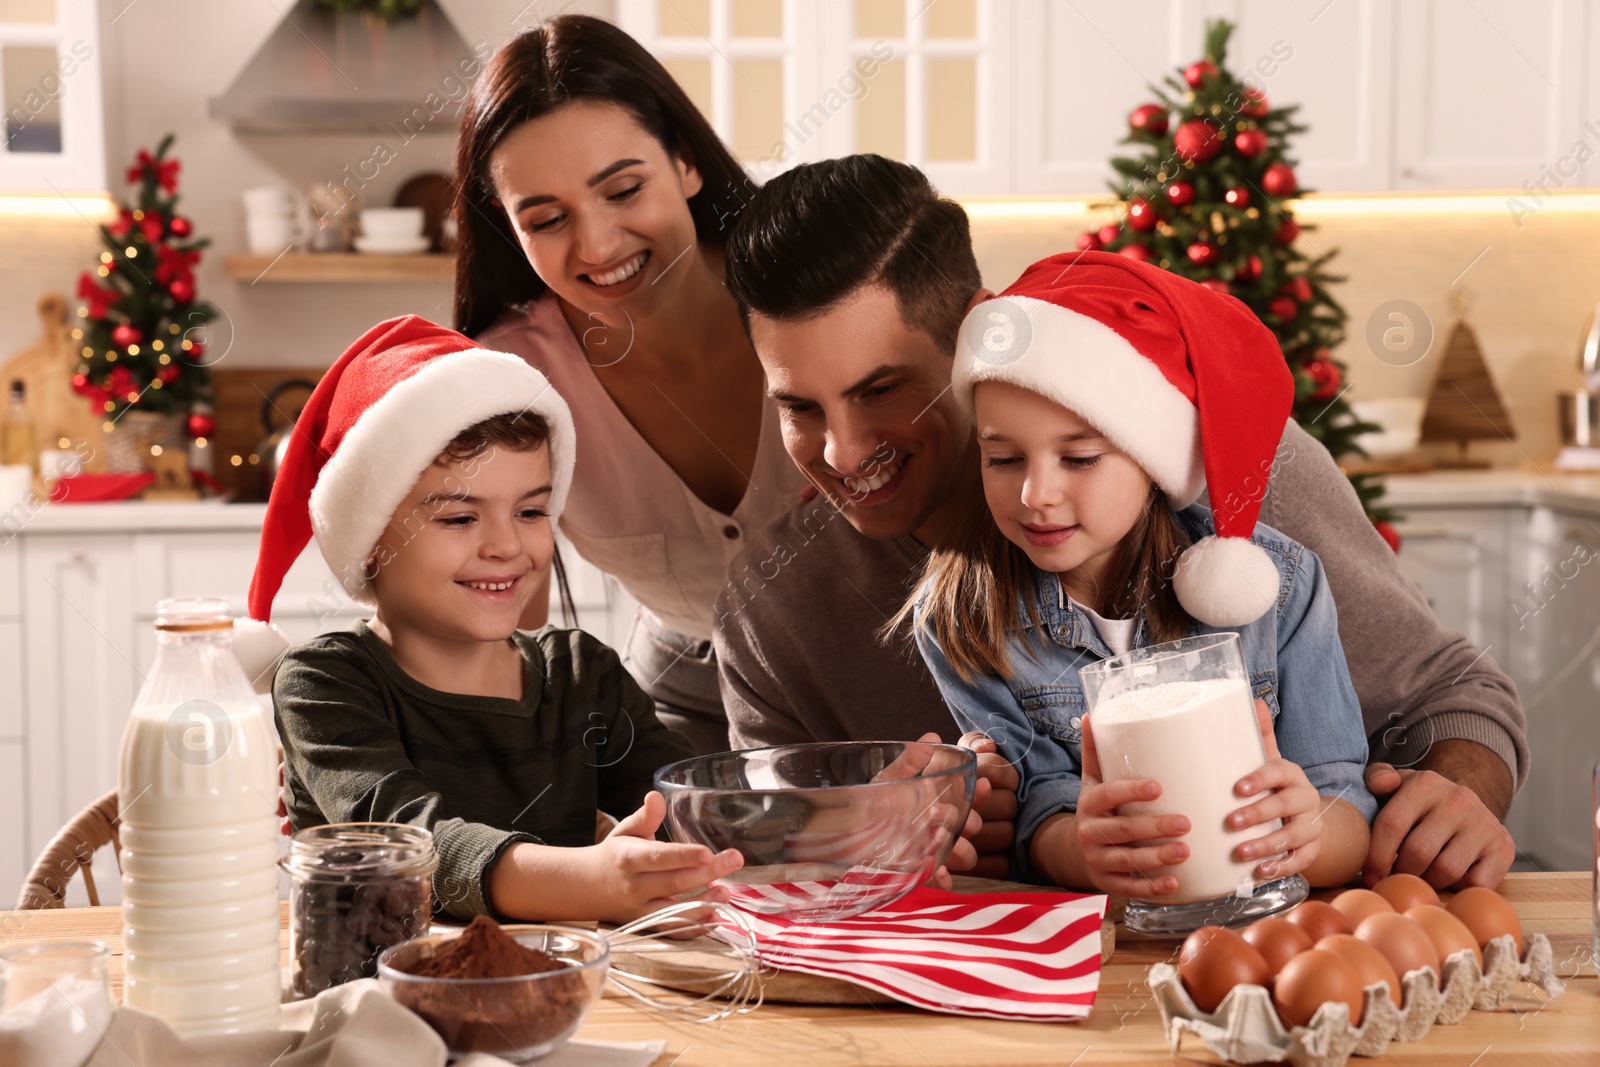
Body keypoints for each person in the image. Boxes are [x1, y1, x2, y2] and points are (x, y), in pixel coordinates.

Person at [716, 153, 1526, 890]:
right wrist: (895, 833)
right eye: (798, 406)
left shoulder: (1223, 469)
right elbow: (769, 863)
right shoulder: (773, 609)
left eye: (879, 390)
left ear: (980, 331)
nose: (844, 450)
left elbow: (1454, 693)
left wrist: (1453, 793)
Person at [904, 251, 1375, 893]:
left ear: (1153, 456)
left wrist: (1312, 833)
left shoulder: (1280, 588)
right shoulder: (965, 615)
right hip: (1108, 949)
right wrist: (1079, 849)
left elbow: (1343, 799)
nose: (1035, 494)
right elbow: (1029, 813)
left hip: (1259, 930)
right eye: (1004, 458)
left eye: (1080, 458)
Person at [249, 316, 740, 923]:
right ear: (372, 540)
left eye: (532, 511)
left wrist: (826, 811)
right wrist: (590, 880)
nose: (507, 546)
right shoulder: (325, 684)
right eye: (460, 518)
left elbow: (684, 809)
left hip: (571, 994)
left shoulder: (581, 675)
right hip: (373, 996)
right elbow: (411, 845)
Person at [452, 14, 802, 756]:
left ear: (684, 161)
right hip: (676, 713)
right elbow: (502, 619)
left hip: (895, 682)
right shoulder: (512, 379)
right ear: (508, 227)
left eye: (623, 189)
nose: (599, 245)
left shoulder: (816, 291)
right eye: (546, 218)